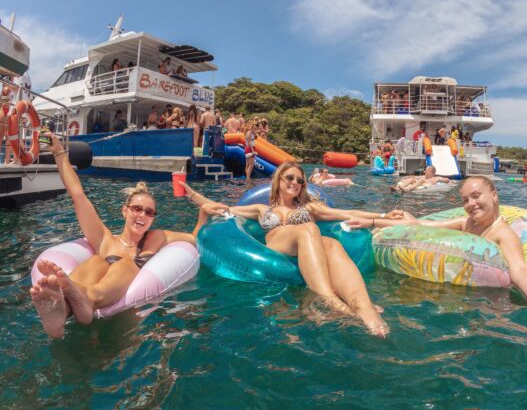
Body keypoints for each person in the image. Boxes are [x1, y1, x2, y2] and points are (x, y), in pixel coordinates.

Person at [180, 162, 406, 336]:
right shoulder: (261, 209)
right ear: (279, 180)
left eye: (300, 180)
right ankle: (329, 300)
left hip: (306, 245)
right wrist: (192, 195)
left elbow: (348, 214)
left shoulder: (309, 207)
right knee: (307, 229)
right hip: (276, 248)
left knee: (333, 244)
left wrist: (383, 215)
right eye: (290, 178)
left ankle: (366, 310)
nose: (295, 183)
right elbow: (224, 209)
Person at [29, 132, 209, 339]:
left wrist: (203, 210)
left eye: (149, 212)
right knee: (97, 261)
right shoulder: (106, 240)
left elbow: (195, 239)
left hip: (126, 318)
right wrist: (59, 153)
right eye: (137, 209)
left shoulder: (158, 237)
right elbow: (77, 195)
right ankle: (61, 308)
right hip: (95, 297)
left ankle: (84, 299)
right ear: (125, 211)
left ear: (153, 218)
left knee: (126, 264)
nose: (142, 215)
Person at [349, 176, 527, 341]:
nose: (470, 204)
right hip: (457, 292)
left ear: (494, 196)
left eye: (476, 196)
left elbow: (520, 268)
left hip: (492, 303)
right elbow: (420, 225)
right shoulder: (468, 223)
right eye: (465, 200)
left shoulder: (503, 234)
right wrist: (372, 222)